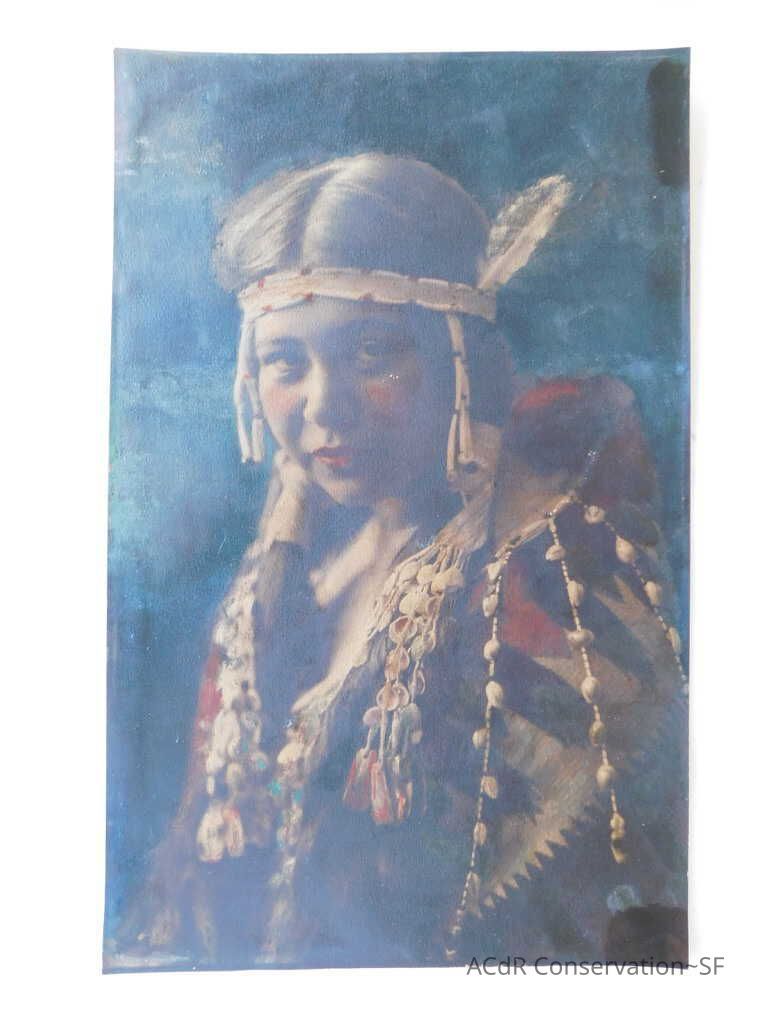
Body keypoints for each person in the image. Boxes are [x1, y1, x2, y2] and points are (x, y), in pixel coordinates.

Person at [112, 153, 687, 970]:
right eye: (285, 362)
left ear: (460, 360)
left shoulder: (560, 579)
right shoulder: (271, 595)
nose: (323, 405)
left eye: (374, 353)